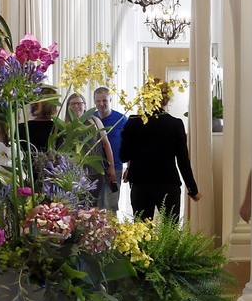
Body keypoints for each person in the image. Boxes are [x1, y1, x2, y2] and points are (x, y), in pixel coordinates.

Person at [119, 83, 199, 219]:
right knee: (170, 233)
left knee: (142, 234)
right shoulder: (175, 124)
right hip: (168, 184)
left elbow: (123, 156)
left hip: (141, 185)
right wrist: (192, 189)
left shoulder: (133, 123)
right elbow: (183, 160)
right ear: (166, 99)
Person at [66, 92, 118, 208]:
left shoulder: (94, 121)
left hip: (94, 172)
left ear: (85, 105)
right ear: (67, 106)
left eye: (79, 103)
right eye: (73, 104)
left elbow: (106, 144)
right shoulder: (64, 125)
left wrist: (111, 167)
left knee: (93, 208)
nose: (76, 106)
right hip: (72, 175)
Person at [93, 86, 127, 203]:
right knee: (96, 206)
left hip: (115, 168)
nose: (101, 104)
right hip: (95, 169)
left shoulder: (121, 119)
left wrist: (129, 167)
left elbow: (128, 144)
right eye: (98, 101)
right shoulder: (90, 118)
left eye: (105, 100)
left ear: (110, 101)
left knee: (111, 204)